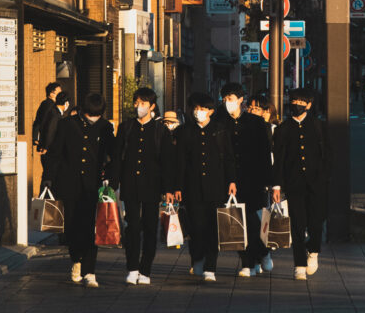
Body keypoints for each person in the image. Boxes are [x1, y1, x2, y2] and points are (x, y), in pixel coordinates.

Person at [44, 91, 114, 288]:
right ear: (83, 111)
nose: (93, 119)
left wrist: (109, 178)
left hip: (93, 186)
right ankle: (76, 259)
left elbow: (113, 155)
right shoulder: (67, 125)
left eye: (97, 115)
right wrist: (47, 178)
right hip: (68, 184)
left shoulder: (105, 128)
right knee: (71, 227)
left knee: (91, 228)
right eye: (90, 115)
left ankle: (90, 271)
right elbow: (55, 153)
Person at [112, 88, 174, 286]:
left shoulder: (160, 130)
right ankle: (132, 267)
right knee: (132, 226)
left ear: (152, 106)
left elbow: (167, 161)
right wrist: (113, 182)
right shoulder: (126, 127)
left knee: (149, 227)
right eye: (137, 103)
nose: (139, 107)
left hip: (152, 185)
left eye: (144, 104)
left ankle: (146, 268)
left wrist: (169, 189)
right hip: (130, 183)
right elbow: (116, 157)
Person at [175, 92, 236, 283]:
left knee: (213, 228)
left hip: (216, 186)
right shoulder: (186, 131)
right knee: (196, 227)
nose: (197, 112)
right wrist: (177, 186)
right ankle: (197, 259)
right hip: (192, 187)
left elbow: (228, 158)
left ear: (210, 111)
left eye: (202, 109)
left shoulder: (220, 130)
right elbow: (181, 161)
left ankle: (211, 267)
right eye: (195, 108)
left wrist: (232, 181)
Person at [213, 82, 273, 277]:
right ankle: (247, 263)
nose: (227, 102)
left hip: (252, 179)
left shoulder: (255, 123)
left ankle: (262, 253)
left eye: (230, 99)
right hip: (227, 179)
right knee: (237, 220)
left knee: (253, 223)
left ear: (240, 100)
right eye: (224, 99)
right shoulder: (219, 121)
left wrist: (269, 180)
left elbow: (265, 152)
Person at [272, 87, 331, 282]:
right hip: (293, 183)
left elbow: (328, 157)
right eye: (293, 101)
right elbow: (278, 160)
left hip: (317, 183)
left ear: (309, 105)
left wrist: (326, 178)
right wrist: (277, 186)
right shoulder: (283, 129)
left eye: (300, 102)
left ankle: (313, 251)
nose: (296, 105)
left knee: (316, 222)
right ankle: (299, 265)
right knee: (297, 224)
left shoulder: (319, 126)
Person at [32, 82, 61, 173]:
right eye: (59, 92)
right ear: (51, 93)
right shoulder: (50, 105)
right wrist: (44, 144)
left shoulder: (46, 104)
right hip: (48, 145)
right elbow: (44, 124)